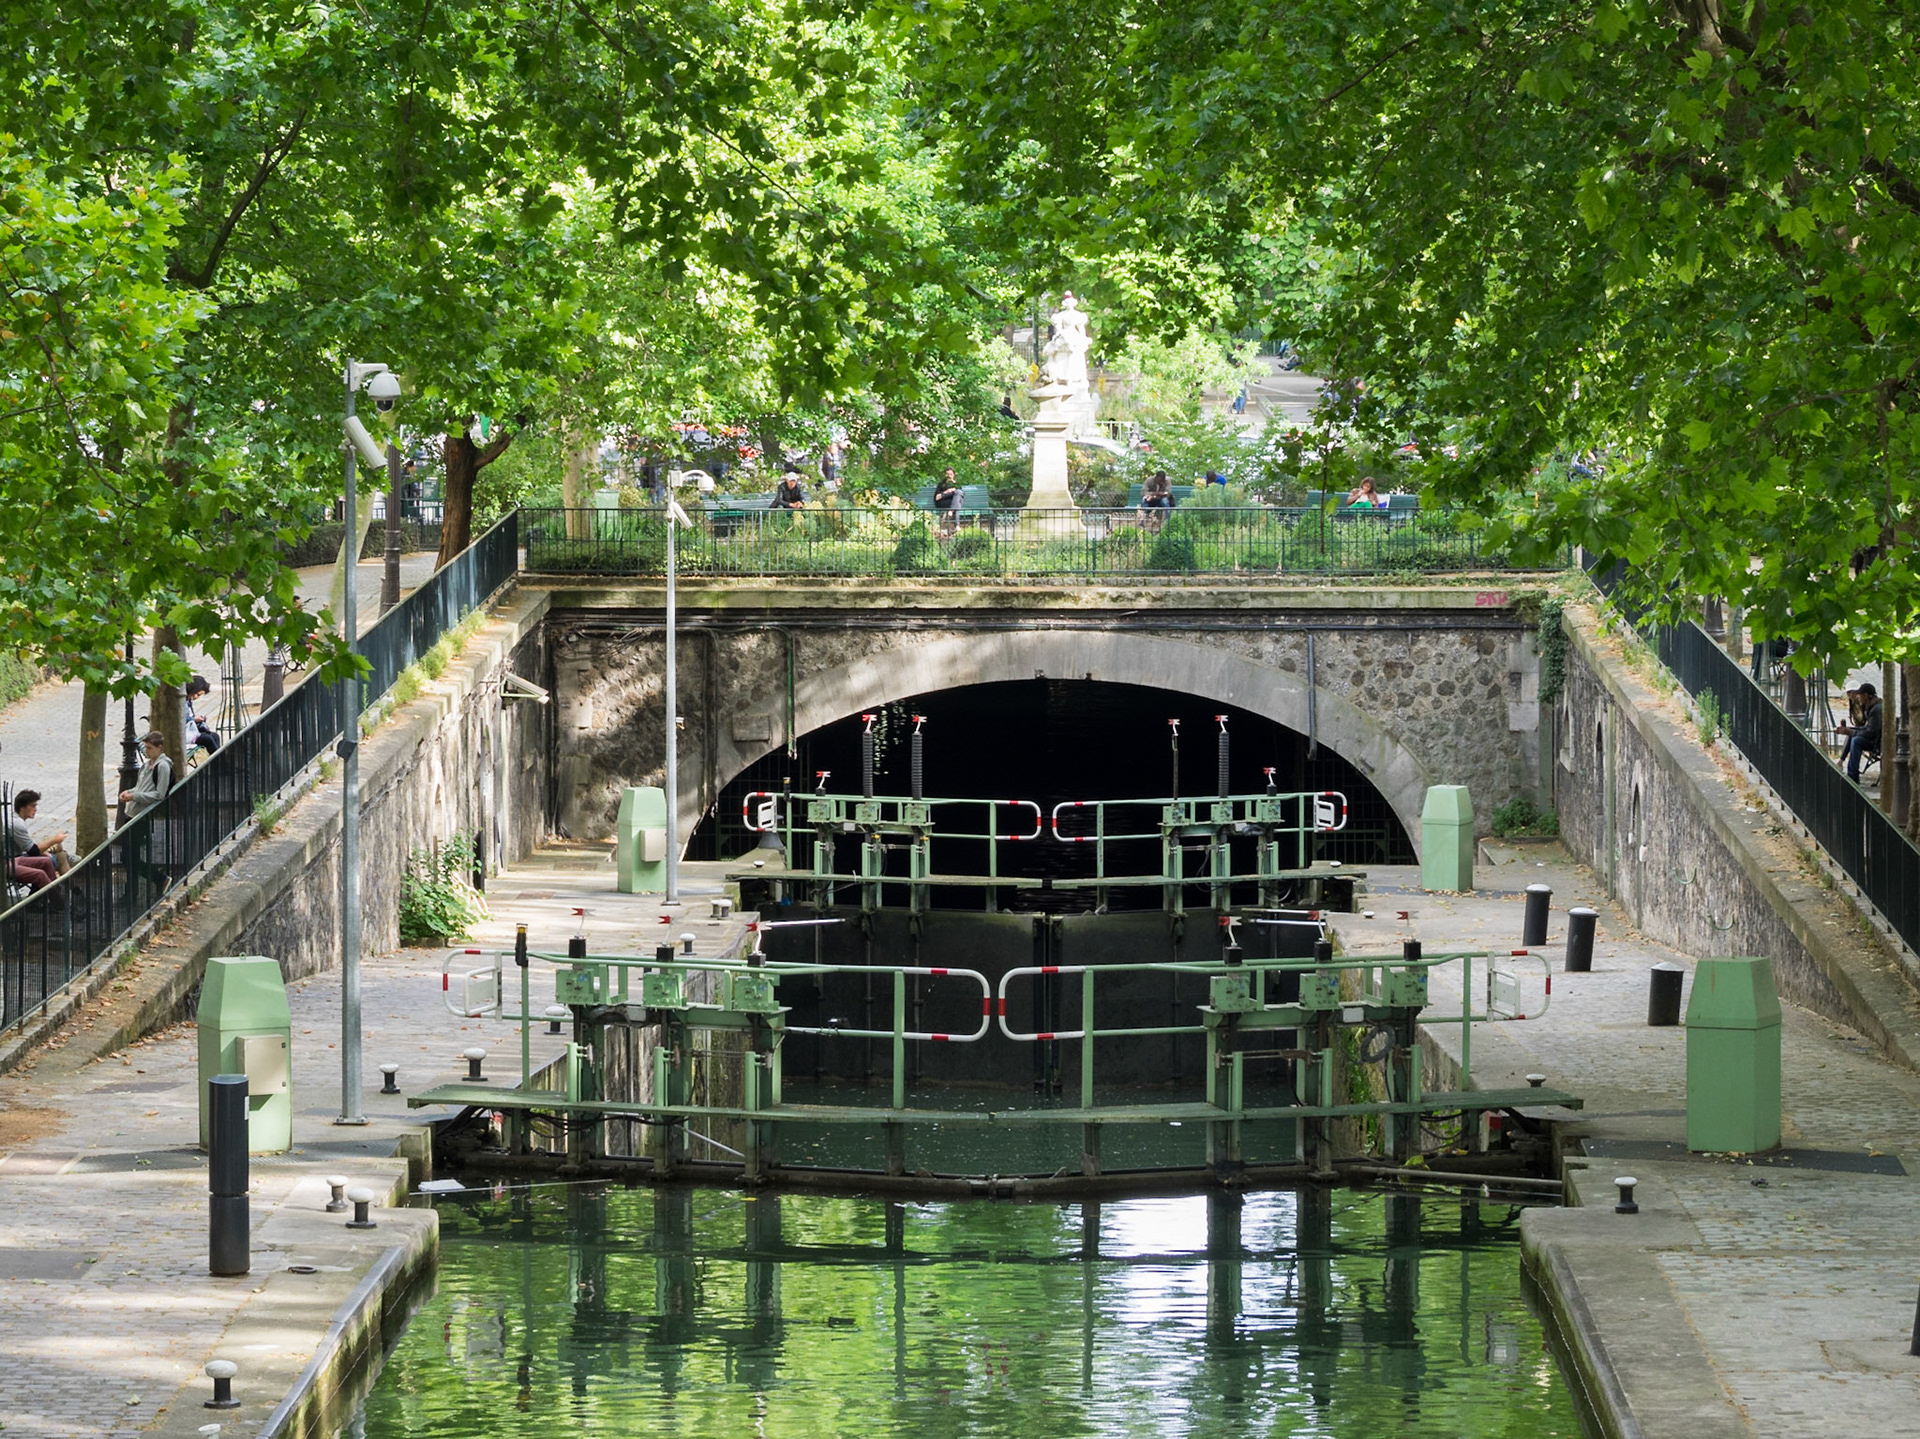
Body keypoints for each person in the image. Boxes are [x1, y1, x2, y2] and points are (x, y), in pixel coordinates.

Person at [6, 790, 66, 890]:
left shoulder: (15, 820)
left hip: (18, 856)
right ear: (22, 808)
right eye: (33, 806)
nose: (36, 809)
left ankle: (69, 891)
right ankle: (62, 893)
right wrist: (54, 840)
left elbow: (28, 847)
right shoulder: (17, 824)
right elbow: (33, 851)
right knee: (55, 857)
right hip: (13, 860)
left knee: (60, 854)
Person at [120, 731, 173, 822]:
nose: (146, 751)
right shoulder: (146, 765)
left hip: (145, 815)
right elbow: (141, 787)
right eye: (145, 747)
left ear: (159, 748)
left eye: (149, 748)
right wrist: (129, 792)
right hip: (133, 813)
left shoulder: (162, 766)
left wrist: (134, 796)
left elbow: (160, 794)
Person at [1838, 682, 1883, 783]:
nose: (1857, 696)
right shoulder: (1872, 706)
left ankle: (1852, 776)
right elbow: (1865, 728)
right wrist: (1850, 731)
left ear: (1866, 696)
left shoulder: (1876, 709)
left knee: (1856, 740)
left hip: (1878, 743)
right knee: (1853, 734)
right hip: (1876, 739)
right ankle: (1847, 769)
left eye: (1859, 694)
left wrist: (1852, 732)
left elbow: (1871, 732)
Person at [184, 675, 221, 757]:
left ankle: (219, 759)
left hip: (190, 730)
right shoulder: (183, 702)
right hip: (184, 733)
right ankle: (218, 760)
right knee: (207, 739)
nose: (197, 697)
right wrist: (194, 719)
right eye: (197, 694)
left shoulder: (188, 701)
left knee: (214, 736)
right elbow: (182, 719)